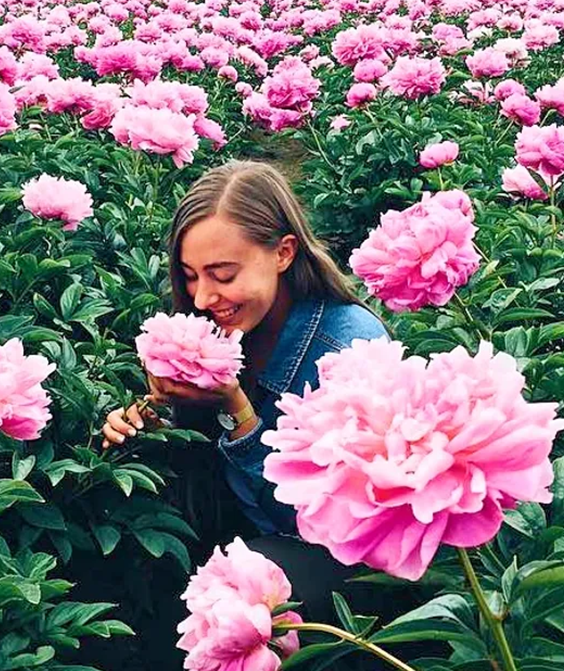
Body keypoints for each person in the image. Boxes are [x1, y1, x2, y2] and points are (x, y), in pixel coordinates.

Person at [100, 159, 395, 647]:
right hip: (236, 533)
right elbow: (200, 478)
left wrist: (238, 410)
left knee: (222, 614)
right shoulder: (216, 326)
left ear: (283, 253)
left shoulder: (349, 350)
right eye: (191, 275)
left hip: (332, 562)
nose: (201, 298)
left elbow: (320, 529)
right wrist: (147, 423)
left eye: (222, 273)